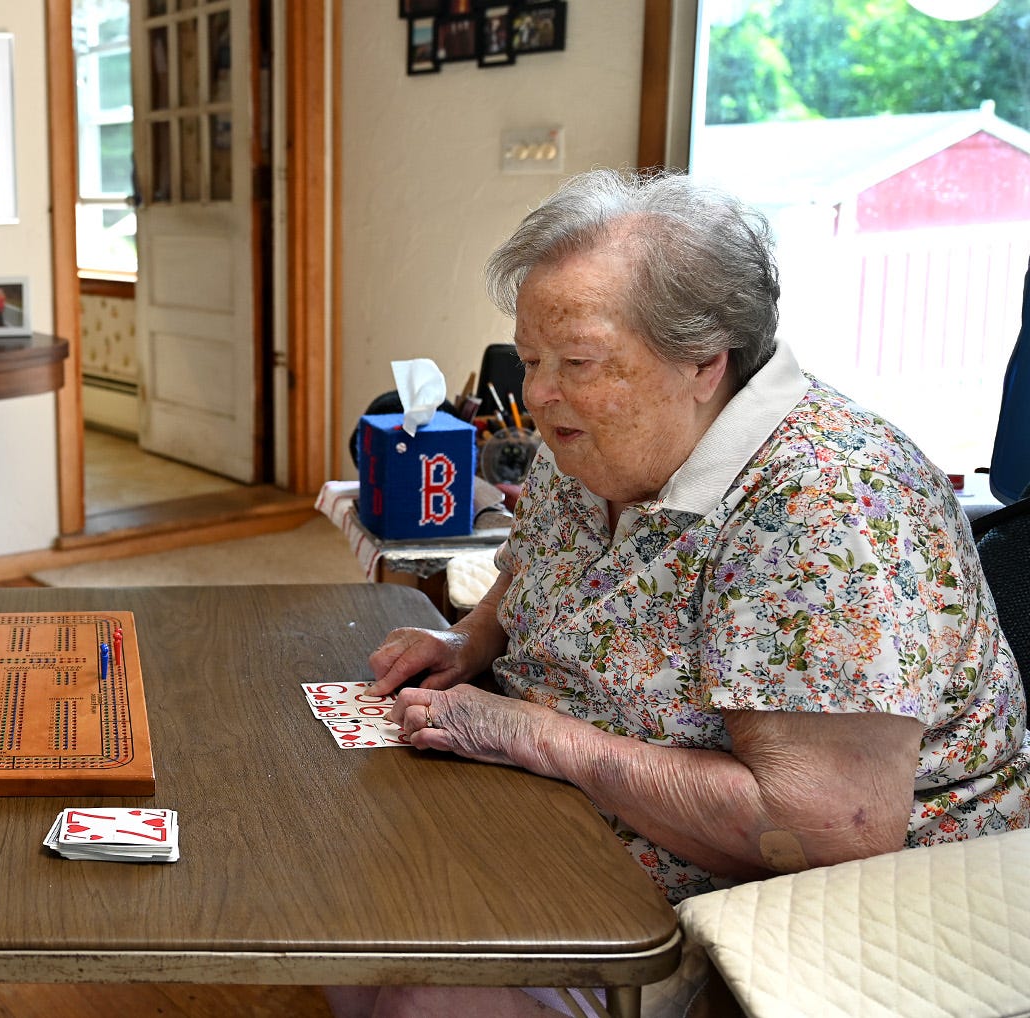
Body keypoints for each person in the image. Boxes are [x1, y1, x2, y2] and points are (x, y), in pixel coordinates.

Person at [334, 168, 1028, 1018]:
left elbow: (825, 833)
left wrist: (539, 737)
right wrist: (468, 641)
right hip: (560, 810)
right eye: (532, 360)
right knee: (344, 895)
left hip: (785, 910)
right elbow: (528, 572)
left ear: (705, 361)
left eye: (577, 361)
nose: (538, 394)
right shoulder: (597, 436)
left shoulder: (828, 503)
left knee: (422, 990)